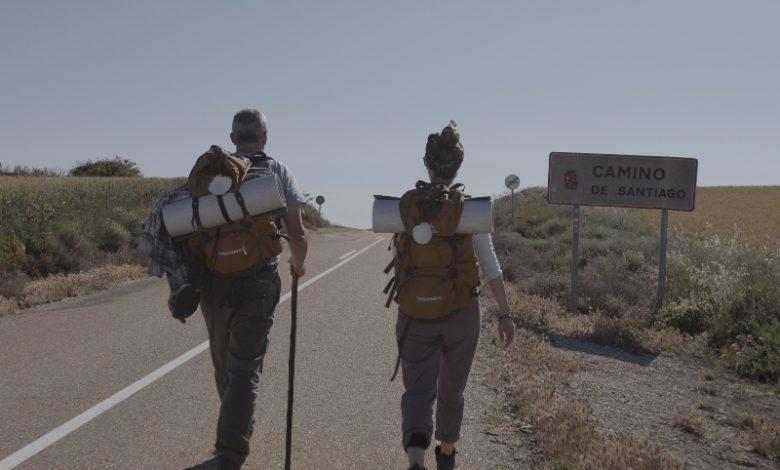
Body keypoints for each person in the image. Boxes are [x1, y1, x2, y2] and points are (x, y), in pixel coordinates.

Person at [140, 108, 307, 470]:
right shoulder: (275, 170)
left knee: (225, 366)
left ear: (233, 139)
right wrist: (299, 261)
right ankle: (231, 452)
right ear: (264, 138)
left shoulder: (211, 174)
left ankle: (233, 436)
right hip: (259, 281)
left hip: (213, 281)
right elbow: (296, 230)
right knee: (245, 369)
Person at [394, 122, 515, 470]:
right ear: (458, 166)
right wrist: (504, 314)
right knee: (452, 389)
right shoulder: (469, 209)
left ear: (426, 163)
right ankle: (446, 454)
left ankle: (415, 458)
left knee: (418, 391)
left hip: (414, 313)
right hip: (462, 313)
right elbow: (490, 266)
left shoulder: (408, 207)